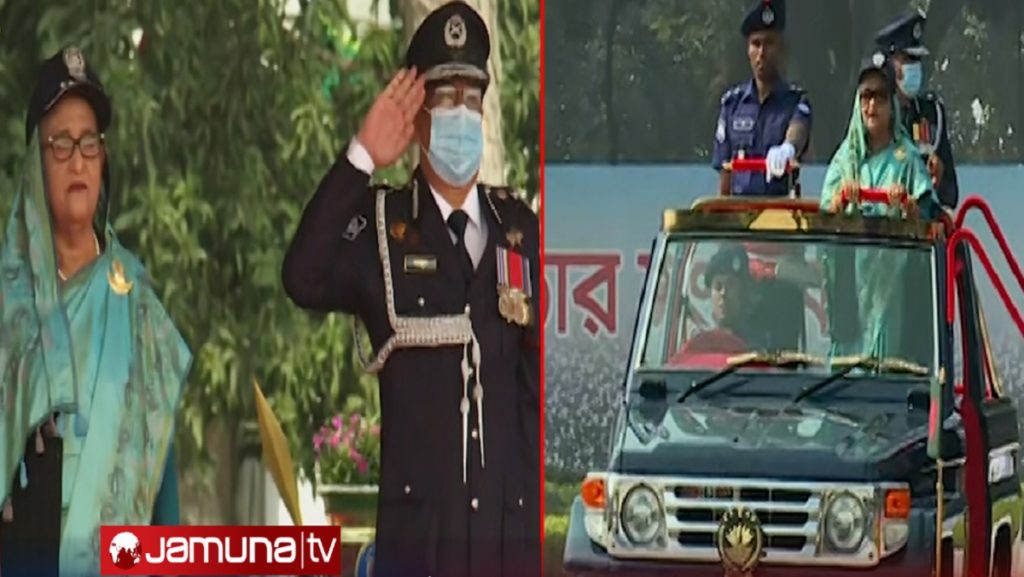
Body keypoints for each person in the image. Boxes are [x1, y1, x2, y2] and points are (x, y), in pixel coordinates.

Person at [281, 2, 540, 577]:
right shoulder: (382, 228)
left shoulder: (520, 232)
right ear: (416, 114)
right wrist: (361, 157)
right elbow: (302, 275)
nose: (461, 115)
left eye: (471, 99)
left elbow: (531, 404)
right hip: (417, 553)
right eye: (444, 99)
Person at [0, 46, 191, 577]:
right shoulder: (6, 303)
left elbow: (161, 481)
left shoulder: (138, 309)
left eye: (89, 142)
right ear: (35, 162)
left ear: (104, 158)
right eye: (60, 144)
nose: (78, 160)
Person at [821, 51, 940, 219]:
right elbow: (825, 216)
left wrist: (908, 206)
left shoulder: (909, 158)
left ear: (892, 104)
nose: (872, 104)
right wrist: (841, 200)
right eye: (866, 96)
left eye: (881, 96)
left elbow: (929, 218)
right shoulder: (845, 158)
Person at [712, 0, 813, 197]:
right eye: (756, 44)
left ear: (781, 49)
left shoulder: (796, 102)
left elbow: (798, 131)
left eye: (769, 43)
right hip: (740, 210)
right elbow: (725, 174)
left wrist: (787, 149)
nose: (762, 53)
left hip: (781, 210)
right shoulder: (732, 104)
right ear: (747, 50)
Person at [875, 10, 959, 210]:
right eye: (907, 59)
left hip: (920, 225)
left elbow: (950, 196)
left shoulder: (931, 114)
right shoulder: (872, 115)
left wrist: (937, 179)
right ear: (887, 65)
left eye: (917, 60)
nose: (915, 67)